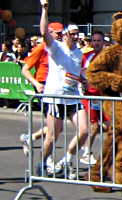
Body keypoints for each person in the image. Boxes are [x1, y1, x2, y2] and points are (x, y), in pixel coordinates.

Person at [37, 0, 88, 179]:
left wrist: (83, 79)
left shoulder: (79, 52)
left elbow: (75, 72)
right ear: (65, 35)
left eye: (77, 34)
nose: (75, 37)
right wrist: (45, 9)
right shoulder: (55, 47)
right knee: (52, 136)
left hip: (73, 97)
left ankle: (66, 160)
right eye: (72, 34)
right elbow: (44, 32)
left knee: (84, 131)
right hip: (56, 98)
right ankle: (43, 161)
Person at [20, 21, 64, 157]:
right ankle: (46, 160)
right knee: (54, 127)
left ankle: (31, 138)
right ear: (50, 33)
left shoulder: (61, 48)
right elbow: (25, 69)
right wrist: (36, 83)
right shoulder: (41, 48)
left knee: (58, 127)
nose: (61, 36)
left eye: (62, 33)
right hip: (44, 86)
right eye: (58, 33)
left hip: (57, 87)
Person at [79, 31, 110, 165]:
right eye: (94, 40)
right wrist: (83, 82)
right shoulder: (86, 56)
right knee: (94, 125)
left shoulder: (108, 58)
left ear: (103, 42)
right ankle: (86, 152)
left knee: (111, 126)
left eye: (99, 40)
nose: (96, 43)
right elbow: (79, 73)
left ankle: (110, 155)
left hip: (104, 97)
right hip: (90, 96)